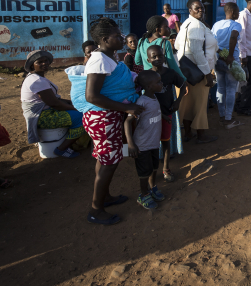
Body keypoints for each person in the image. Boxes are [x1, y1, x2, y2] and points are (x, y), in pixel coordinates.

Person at [79, 17, 144, 225]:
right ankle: (96, 209)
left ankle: (105, 197)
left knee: (106, 160)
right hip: (102, 117)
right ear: (105, 39)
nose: (122, 38)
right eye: (117, 35)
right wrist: (127, 107)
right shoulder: (99, 60)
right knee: (109, 162)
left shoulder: (109, 56)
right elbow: (92, 96)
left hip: (108, 115)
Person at [21, 50, 85, 158]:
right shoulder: (37, 81)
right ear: (32, 65)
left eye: (46, 61)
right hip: (43, 116)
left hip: (44, 111)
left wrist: (70, 102)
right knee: (82, 118)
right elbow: (55, 104)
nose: (44, 63)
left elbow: (53, 99)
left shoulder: (35, 77)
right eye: (40, 62)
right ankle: (62, 149)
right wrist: (75, 108)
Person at [175, 0, 218, 144]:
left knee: (188, 104)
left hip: (186, 71)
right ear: (190, 10)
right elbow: (197, 52)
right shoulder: (196, 26)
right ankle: (201, 135)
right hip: (198, 72)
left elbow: (176, 44)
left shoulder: (186, 24)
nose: (200, 10)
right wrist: (207, 74)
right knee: (200, 104)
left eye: (202, 8)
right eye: (196, 8)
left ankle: (188, 133)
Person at [124, 70, 167, 210]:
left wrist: (164, 117)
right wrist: (130, 144)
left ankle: (152, 187)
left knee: (154, 167)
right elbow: (127, 122)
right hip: (142, 144)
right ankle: (143, 194)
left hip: (154, 142)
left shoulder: (154, 98)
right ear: (149, 86)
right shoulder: (142, 102)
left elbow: (154, 114)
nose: (161, 84)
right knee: (144, 171)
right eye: (158, 82)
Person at [146, 45, 187, 181]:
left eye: (160, 56)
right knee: (151, 144)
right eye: (154, 57)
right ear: (148, 59)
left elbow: (183, 86)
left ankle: (166, 169)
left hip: (167, 113)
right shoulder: (146, 76)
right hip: (150, 116)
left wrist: (178, 101)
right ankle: (151, 171)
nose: (158, 59)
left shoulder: (170, 73)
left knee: (165, 142)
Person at [212, 2, 244, 129]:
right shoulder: (236, 24)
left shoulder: (216, 25)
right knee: (231, 89)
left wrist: (221, 54)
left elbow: (212, 41)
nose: (238, 13)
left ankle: (222, 115)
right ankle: (228, 118)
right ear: (232, 12)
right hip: (231, 60)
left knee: (221, 87)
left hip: (218, 59)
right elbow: (234, 36)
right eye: (237, 11)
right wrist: (230, 55)